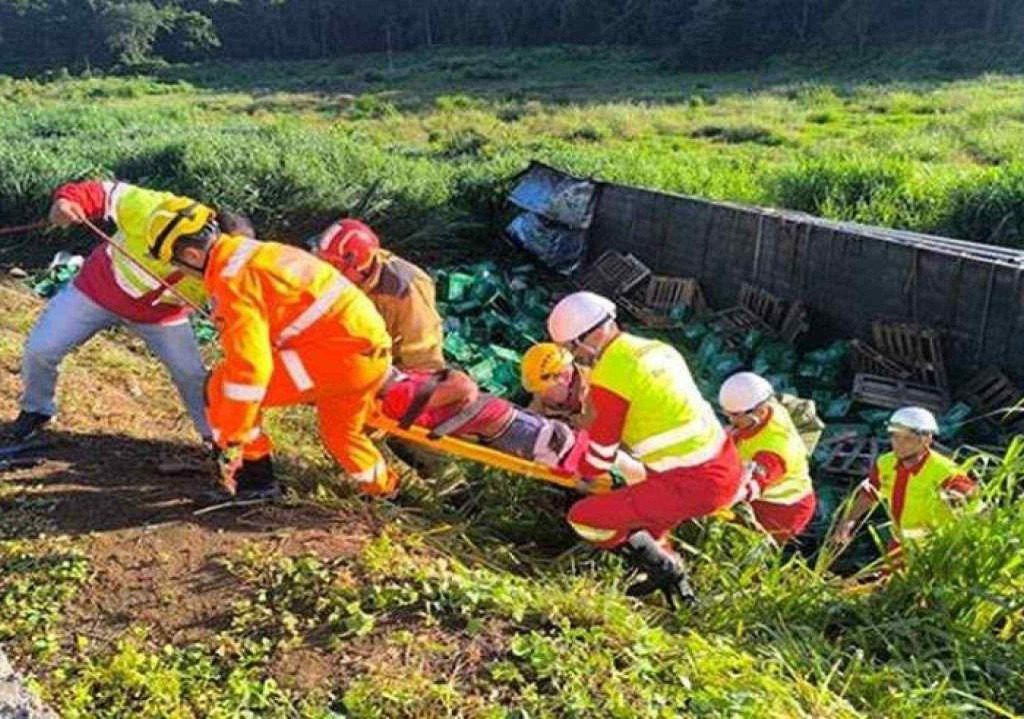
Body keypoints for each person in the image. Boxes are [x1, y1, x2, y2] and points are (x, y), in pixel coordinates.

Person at [146, 197, 396, 499]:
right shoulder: (255, 252)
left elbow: (250, 369)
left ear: (191, 254)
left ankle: (256, 482)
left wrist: (233, 436)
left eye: (176, 263)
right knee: (342, 435)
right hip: (367, 355)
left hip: (339, 359)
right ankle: (385, 492)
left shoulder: (232, 280)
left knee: (222, 387)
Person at [547, 291, 742, 606]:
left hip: (691, 483)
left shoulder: (611, 374)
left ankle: (665, 569)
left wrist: (583, 475)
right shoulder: (656, 349)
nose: (574, 356)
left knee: (584, 517)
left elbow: (602, 452)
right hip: (723, 465)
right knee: (650, 531)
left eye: (572, 347)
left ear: (589, 336)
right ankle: (681, 594)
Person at [6, 180, 210, 444]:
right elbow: (99, 192)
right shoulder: (151, 206)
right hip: (94, 292)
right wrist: (67, 202)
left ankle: (217, 438)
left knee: (192, 375)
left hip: (161, 317)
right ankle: (36, 410)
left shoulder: (227, 266)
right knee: (41, 349)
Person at [833, 406, 977, 555]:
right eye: (895, 437)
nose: (899, 444)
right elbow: (870, 493)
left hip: (934, 550)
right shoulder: (885, 463)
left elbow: (974, 503)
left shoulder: (946, 471)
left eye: (907, 438)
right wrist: (849, 520)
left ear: (927, 440)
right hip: (899, 543)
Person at [312, 218, 445, 372]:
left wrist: (415, 383)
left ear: (359, 266)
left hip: (391, 366)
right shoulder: (329, 277)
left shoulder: (406, 287)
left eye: (334, 265)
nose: (327, 270)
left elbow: (423, 351)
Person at [718, 372, 817, 543]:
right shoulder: (769, 407)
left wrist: (712, 504)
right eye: (728, 414)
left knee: (738, 544)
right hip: (772, 498)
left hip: (782, 512)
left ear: (759, 411)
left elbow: (750, 488)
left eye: (735, 415)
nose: (731, 421)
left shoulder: (774, 450)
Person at [521, 342, 591, 428]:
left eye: (566, 371)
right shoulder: (538, 421)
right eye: (556, 377)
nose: (566, 380)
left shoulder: (597, 377)